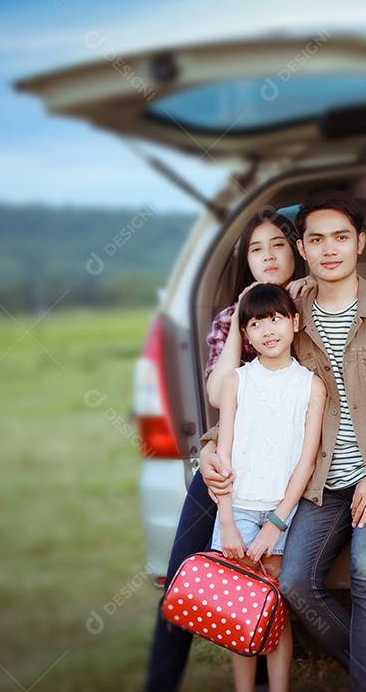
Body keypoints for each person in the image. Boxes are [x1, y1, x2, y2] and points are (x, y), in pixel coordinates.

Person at [202, 192, 366, 692]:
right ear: (302, 249)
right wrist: (209, 443)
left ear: (360, 244)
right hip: (321, 480)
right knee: (294, 584)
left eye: (341, 238)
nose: (330, 249)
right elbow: (259, 393)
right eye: (316, 239)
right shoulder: (288, 310)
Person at [143, 210, 308, 692]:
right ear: (247, 261)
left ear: (297, 250)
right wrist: (240, 318)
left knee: (271, 578)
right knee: (182, 570)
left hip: (293, 469)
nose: (268, 257)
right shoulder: (227, 322)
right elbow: (218, 395)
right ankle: (160, 682)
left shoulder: (311, 310)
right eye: (256, 249)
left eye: (278, 245)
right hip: (235, 462)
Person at [210, 282, 327, 692]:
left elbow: (307, 462)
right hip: (238, 509)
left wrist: (276, 523)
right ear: (245, 334)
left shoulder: (311, 385)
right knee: (240, 613)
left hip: (283, 514)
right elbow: (222, 456)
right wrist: (226, 520)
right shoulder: (237, 383)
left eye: (276, 318)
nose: (267, 330)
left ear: (294, 322)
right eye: (255, 323)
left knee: (275, 612)